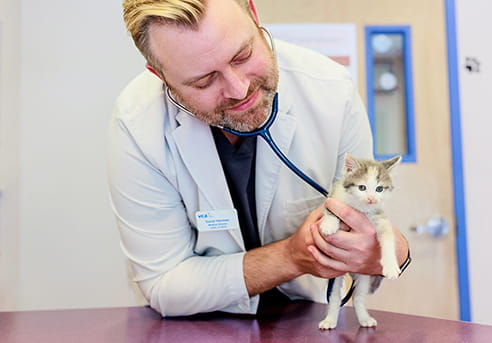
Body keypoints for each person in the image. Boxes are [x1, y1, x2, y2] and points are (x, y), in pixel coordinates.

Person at [109, 0, 410, 317]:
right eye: (204, 81)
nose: (239, 90)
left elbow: (365, 235)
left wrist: (383, 250)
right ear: (161, 76)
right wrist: (290, 257)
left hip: (309, 320)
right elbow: (164, 284)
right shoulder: (137, 123)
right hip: (193, 329)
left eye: (242, 56)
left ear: (253, 13)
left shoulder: (331, 91)